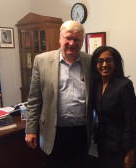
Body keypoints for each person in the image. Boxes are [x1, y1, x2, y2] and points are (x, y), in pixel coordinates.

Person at [25, 20, 93, 168]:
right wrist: (30, 130)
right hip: (52, 132)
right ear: (60, 38)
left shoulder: (90, 61)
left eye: (76, 39)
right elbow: (34, 100)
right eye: (68, 38)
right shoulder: (41, 61)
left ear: (82, 42)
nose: (71, 42)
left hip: (81, 132)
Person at [91, 46, 136, 168]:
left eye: (109, 60)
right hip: (101, 142)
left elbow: (131, 122)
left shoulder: (125, 85)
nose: (104, 64)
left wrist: (130, 154)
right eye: (100, 61)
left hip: (119, 146)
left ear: (115, 63)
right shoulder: (96, 84)